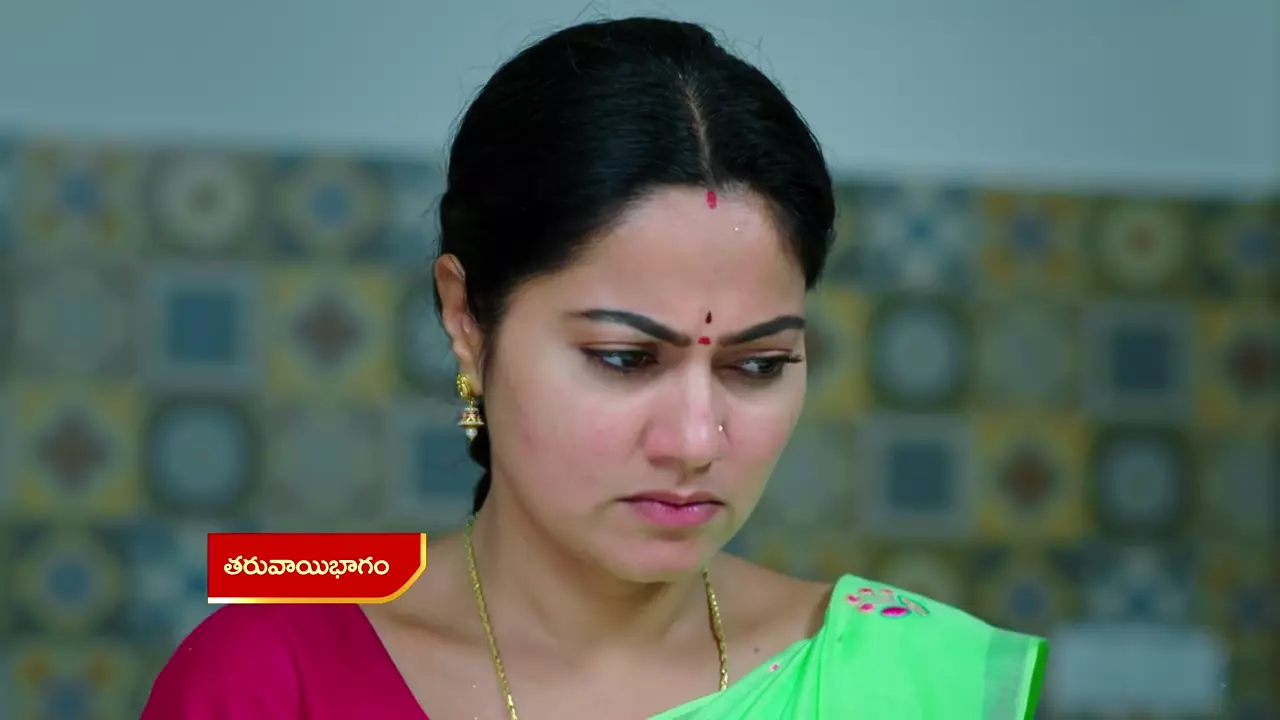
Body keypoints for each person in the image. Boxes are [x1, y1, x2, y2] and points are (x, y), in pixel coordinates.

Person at [141, 17, 1046, 719]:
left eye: (760, 364)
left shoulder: (907, 681)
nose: (695, 440)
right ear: (466, 317)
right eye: (623, 358)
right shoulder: (273, 678)